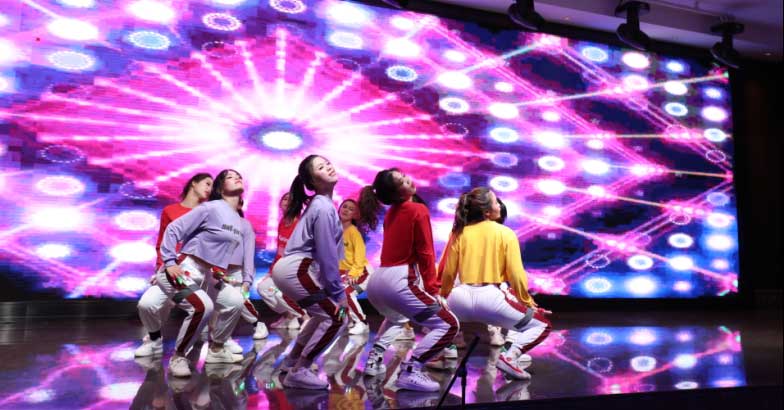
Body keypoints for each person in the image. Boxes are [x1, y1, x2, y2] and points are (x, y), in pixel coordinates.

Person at [358, 168, 459, 392]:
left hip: (378, 281)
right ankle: (411, 370)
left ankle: (374, 361)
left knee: (396, 318)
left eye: (405, 176)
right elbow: (425, 252)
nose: (408, 180)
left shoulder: (392, 212)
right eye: (402, 181)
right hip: (398, 280)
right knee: (449, 324)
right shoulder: (417, 209)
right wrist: (433, 289)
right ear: (396, 193)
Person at [440, 187, 552, 380]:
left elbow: (448, 273)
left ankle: (418, 363)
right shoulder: (505, 233)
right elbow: (516, 275)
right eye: (495, 202)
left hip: (458, 298)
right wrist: (528, 302)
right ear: (487, 212)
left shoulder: (459, 232)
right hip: (490, 298)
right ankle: (509, 356)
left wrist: (442, 298)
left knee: (436, 324)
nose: (499, 205)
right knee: (542, 325)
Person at [157, 169, 249, 377]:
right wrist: (169, 262)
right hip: (182, 270)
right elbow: (173, 230)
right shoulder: (210, 208)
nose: (237, 177)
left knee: (235, 301)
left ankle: (217, 349)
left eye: (238, 176)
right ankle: (178, 356)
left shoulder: (235, 218)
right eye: (229, 176)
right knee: (203, 306)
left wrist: (218, 272)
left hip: (206, 275)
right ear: (220, 188)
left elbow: (217, 251)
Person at [271, 155, 348, 389]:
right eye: (321, 167)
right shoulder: (323, 207)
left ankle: (291, 362)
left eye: (328, 163)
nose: (329, 167)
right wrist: (339, 293)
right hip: (298, 269)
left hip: (295, 269)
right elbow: (327, 254)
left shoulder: (322, 205)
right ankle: (300, 369)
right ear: (312, 181)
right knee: (337, 317)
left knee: (321, 316)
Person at [135, 173, 213, 358]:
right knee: (146, 305)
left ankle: (186, 353)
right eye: (207, 183)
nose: (210, 189)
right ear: (193, 183)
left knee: (203, 307)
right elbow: (161, 242)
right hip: (171, 271)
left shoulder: (208, 213)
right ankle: (154, 340)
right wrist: (160, 268)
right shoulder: (170, 211)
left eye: (212, 186)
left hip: (196, 273)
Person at [222, 198, 269, 349]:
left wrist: (247, 280)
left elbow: (249, 254)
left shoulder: (244, 225)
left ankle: (258, 324)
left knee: (240, 300)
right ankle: (221, 337)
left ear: (240, 204)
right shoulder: (214, 222)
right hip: (215, 271)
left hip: (237, 272)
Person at [256, 192, 307, 330]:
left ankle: (306, 318)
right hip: (280, 269)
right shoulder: (282, 223)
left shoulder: (300, 225)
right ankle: (289, 316)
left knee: (279, 293)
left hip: (294, 271)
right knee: (263, 288)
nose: (287, 202)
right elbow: (280, 251)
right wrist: (271, 272)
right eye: (285, 199)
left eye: (291, 200)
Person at [338, 199, 372, 335]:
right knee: (338, 296)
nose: (346, 210)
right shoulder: (334, 230)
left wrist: (353, 274)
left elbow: (360, 256)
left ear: (355, 215)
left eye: (351, 209)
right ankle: (345, 321)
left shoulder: (353, 232)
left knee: (347, 293)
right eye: (344, 207)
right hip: (343, 273)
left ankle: (362, 322)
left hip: (362, 272)